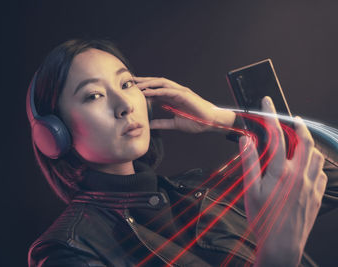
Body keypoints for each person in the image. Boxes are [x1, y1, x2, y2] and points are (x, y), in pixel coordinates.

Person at [26, 39, 338, 266]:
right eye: (93, 95)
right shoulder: (67, 249)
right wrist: (276, 259)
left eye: (126, 83)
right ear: (54, 134)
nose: (124, 105)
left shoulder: (210, 189)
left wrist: (220, 119)